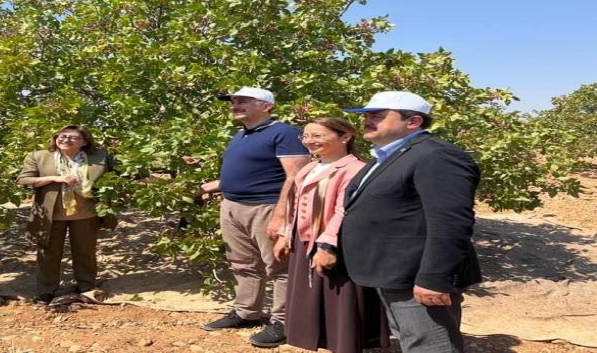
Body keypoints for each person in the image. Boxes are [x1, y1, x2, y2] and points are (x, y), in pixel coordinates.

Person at [341, 91, 482, 352]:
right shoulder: (389, 155)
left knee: (430, 346)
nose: (367, 121)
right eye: (366, 115)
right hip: (393, 270)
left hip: (416, 275)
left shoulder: (436, 156)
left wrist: (434, 278)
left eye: (378, 116)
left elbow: (451, 223)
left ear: (414, 122)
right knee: (411, 339)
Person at [197, 87, 310, 348]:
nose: (235, 105)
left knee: (280, 267)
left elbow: (296, 178)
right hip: (233, 206)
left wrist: (281, 216)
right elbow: (240, 174)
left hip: (267, 208)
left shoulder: (285, 133)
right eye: (234, 101)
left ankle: (284, 321)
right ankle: (247, 313)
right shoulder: (241, 134)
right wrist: (202, 188)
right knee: (242, 263)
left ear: (266, 106)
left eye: (243, 101)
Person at [273, 117, 389, 352]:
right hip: (304, 240)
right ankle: (319, 340)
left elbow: (343, 210)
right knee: (310, 295)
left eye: (317, 136)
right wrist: (285, 235)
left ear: (345, 137)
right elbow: (292, 205)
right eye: (305, 136)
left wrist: (327, 246)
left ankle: (344, 344)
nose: (309, 141)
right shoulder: (309, 167)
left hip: (335, 243)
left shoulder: (355, 169)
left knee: (339, 296)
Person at [16, 125, 118, 305]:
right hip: (51, 214)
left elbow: (124, 175)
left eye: (73, 137)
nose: (66, 140)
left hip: (86, 213)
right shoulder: (39, 156)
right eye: (62, 136)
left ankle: (86, 287)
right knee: (48, 253)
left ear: (84, 142)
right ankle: (46, 291)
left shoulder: (100, 157)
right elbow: (23, 180)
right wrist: (55, 179)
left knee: (85, 252)